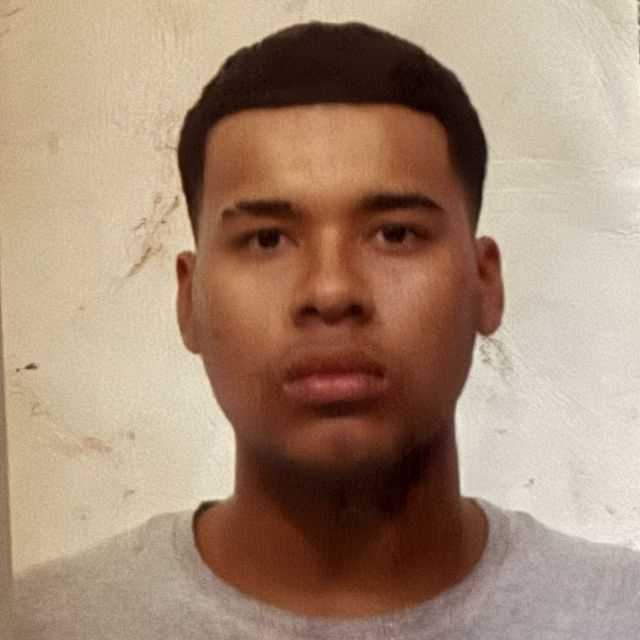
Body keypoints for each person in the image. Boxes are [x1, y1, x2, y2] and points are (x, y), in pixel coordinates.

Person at [12, 21, 640, 639]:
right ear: (189, 299)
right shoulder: (34, 625)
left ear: (485, 283)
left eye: (395, 233)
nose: (331, 291)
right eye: (267, 240)